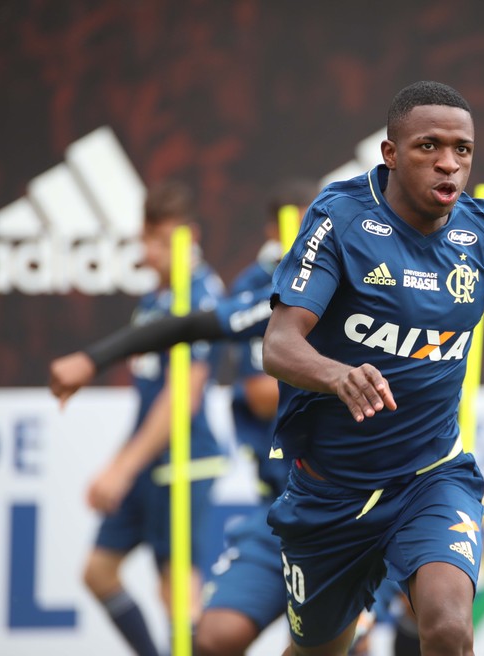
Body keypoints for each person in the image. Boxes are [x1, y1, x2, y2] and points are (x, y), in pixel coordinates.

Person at [261, 80, 484, 656]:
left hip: (430, 477)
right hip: (330, 490)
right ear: (389, 153)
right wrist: (338, 375)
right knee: (318, 652)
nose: (448, 164)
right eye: (428, 146)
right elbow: (279, 345)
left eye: (462, 149)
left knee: (449, 628)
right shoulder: (340, 221)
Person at [50, 182, 413, 656]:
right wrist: (93, 360)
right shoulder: (265, 293)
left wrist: (326, 371)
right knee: (213, 633)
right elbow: (230, 358)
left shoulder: (379, 290)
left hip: (368, 506)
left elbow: (201, 391)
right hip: (291, 500)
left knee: (364, 632)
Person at [54, 181, 227, 656]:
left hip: (184, 461)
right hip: (145, 460)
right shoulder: (153, 301)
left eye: (160, 239)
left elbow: (181, 398)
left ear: (188, 237)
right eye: (145, 238)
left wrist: (120, 469)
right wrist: (120, 464)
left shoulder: (199, 296)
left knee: (178, 591)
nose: (149, 251)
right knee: (99, 572)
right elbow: (148, 400)